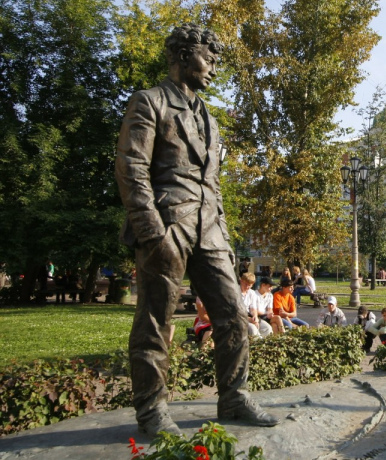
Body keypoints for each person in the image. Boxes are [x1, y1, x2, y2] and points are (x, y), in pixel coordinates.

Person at [115, 23, 277, 435]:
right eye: (209, 59)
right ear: (185, 55)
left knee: (234, 315)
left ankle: (234, 398)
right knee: (156, 320)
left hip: (210, 230)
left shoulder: (210, 119)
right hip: (167, 224)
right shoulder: (150, 102)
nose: (214, 68)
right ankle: (152, 410)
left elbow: (213, 183)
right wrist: (152, 232)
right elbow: (131, 169)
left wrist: (223, 233)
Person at [239, 272, 272, 338]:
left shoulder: (252, 293)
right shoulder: (235, 292)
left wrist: (255, 317)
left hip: (249, 316)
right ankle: (258, 342)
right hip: (239, 317)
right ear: (241, 281)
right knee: (253, 329)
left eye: (249, 285)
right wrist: (248, 319)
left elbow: (253, 308)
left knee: (267, 328)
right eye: (245, 284)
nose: (247, 287)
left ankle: (264, 342)